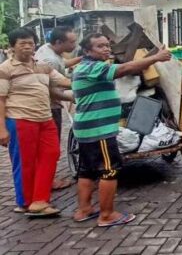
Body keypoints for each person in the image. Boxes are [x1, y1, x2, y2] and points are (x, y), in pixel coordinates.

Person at [72, 33, 171, 226]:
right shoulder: (94, 67)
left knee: (87, 171)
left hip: (86, 130)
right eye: (100, 46)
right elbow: (125, 68)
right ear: (87, 51)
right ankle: (107, 215)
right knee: (109, 171)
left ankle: (84, 210)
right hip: (99, 130)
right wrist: (155, 57)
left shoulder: (83, 67)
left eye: (107, 45)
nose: (107, 49)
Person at [0, 28, 71, 217]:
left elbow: (64, 82)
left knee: (52, 154)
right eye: (22, 43)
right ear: (12, 47)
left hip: (45, 117)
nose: (27, 47)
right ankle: (25, 202)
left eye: (30, 43)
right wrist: (2, 129)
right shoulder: (6, 69)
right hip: (20, 119)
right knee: (25, 162)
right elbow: (1, 100)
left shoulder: (42, 65)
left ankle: (39, 200)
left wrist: (90, 78)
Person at [34, 26, 82, 190]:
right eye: (72, 42)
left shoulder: (48, 50)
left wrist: (81, 59)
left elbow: (62, 65)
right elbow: (50, 90)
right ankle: (49, 181)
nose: (75, 45)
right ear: (59, 42)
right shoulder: (50, 60)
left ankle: (45, 178)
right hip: (49, 106)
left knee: (46, 147)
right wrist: (72, 97)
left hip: (46, 105)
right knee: (50, 147)